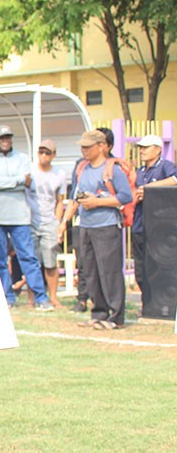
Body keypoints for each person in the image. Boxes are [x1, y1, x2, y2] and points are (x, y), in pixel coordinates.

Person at [58, 130, 133, 329]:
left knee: (109, 272)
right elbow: (75, 197)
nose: (84, 150)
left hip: (107, 225)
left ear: (101, 146)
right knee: (90, 271)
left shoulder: (113, 169)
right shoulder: (82, 168)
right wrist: (64, 221)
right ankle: (98, 312)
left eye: (88, 147)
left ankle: (115, 317)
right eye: (82, 147)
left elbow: (126, 196)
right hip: (85, 225)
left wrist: (98, 202)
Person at [0, 125, 54, 311]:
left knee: (28, 258)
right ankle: (7, 297)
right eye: (1, 138)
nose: (5, 141)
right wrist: (17, 180)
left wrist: (1, 184)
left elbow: (26, 182)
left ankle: (40, 298)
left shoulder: (22, 158)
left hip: (20, 217)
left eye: (8, 137)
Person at [131, 135, 177, 310]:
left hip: (160, 227)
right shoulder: (140, 172)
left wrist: (149, 189)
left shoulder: (165, 167)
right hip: (140, 224)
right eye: (141, 148)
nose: (142, 151)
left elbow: (175, 180)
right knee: (141, 269)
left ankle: (163, 305)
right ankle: (147, 303)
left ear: (158, 149)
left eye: (146, 147)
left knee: (160, 266)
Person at [29, 140, 67, 307]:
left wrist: (58, 223)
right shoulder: (29, 170)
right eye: (41, 152)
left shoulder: (59, 174)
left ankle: (53, 296)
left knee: (50, 261)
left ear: (54, 155)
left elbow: (60, 200)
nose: (44, 156)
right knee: (32, 262)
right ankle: (32, 297)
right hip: (30, 221)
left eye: (48, 153)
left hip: (49, 221)